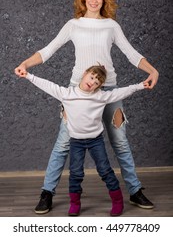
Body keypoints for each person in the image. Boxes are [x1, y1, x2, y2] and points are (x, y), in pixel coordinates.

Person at [14, 0, 159, 214]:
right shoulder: (73, 25)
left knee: (120, 143)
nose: (94, 0)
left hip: (109, 91)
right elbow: (47, 51)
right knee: (63, 144)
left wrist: (152, 70)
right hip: (77, 93)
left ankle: (135, 191)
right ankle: (47, 193)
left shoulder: (112, 26)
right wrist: (25, 64)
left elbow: (132, 54)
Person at [20, 64, 150, 215]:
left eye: (97, 82)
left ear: (99, 86)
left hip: (96, 141)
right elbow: (48, 85)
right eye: (92, 77)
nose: (92, 82)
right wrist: (28, 75)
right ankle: (75, 203)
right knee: (75, 173)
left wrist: (140, 86)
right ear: (85, 73)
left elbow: (121, 92)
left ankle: (117, 201)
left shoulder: (101, 96)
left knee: (105, 171)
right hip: (76, 142)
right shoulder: (67, 94)